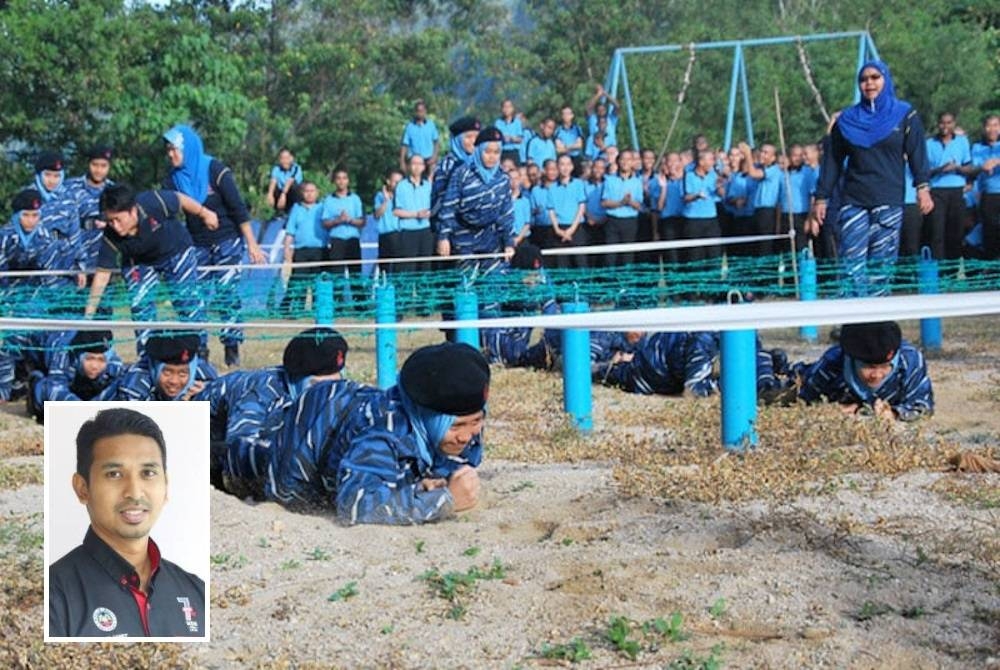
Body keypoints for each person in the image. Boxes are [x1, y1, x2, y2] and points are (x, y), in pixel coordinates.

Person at [48, 408, 205, 637]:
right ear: (82, 489)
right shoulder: (54, 596)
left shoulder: (197, 592)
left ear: (166, 486)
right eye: (114, 474)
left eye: (148, 473)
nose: (134, 492)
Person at [292, 342, 489, 524]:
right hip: (288, 436)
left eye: (476, 421)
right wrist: (444, 501)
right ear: (424, 418)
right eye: (455, 426)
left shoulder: (449, 425)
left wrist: (425, 484)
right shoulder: (382, 434)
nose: (466, 436)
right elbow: (355, 504)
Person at [811, 60, 933, 296]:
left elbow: (917, 152)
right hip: (854, 200)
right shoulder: (847, 120)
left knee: (881, 266)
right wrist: (821, 197)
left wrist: (922, 187)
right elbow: (833, 161)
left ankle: (879, 328)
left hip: (888, 199)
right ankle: (853, 327)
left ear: (885, 79)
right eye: (864, 79)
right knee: (851, 266)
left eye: (875, 77)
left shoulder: (905, 115)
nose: (869, 83)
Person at [197, 327, 350, 498]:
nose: (328, 395)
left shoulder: (339, 395)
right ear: (296, 381)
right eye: (318, 387)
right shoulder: (263, 393)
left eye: (335, 385)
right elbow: (239, 452)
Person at [163, 125, 265, 367]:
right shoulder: (172, 179)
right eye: (167, 150)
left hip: (227, 241)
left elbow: (238, 208)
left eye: (174, 150)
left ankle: (231, 347)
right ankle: (199, 349)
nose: (170, 155)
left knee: (226, 294)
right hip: (196, 244)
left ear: (188, 149)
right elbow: (170, 213)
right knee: (192, 296)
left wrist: (252, 244)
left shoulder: (215, 170)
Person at [84, 184, 209, 350]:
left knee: (187, 302)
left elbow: (180, 200)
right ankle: (147, 355)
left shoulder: (152, 202)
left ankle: (199, 351)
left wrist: (205, 213)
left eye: (118, 219)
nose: (115, 226)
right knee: (140, 306)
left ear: (133, 211)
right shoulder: (110, 236)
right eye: (109, 221)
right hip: (139, 262)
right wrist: (87, 317)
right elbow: (102, 276)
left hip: (176, 250)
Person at [0, 190, 86, 402]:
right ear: (16, 216)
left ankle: (36, 380)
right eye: (26, 215)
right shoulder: (4, 237)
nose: (31, 221)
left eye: (35, 215)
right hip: (8, 293)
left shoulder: (45, 238)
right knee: (6, 339)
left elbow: (50, 278)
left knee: (30, 335)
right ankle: (4, 389)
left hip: (35, 296)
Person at [794, 321, 933, 421]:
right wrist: (831, 411)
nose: (877, 375)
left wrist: (894, 413)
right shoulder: (832, 364)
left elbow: (923, 406)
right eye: (869, 367)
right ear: (853, 360)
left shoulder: (910, 361)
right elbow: (805, 399)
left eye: (886, 366)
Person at [436, 127, 515, 269]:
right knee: (467, 285)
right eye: (487, 152)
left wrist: (509, 242)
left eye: (496, 152)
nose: (492, 156)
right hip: (463, 238)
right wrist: (444, 237)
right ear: (478, 150)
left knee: (495, 284)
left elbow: (506, 213)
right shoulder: (462, 173)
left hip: (492, 239)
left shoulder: (502, 179)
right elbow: (449, 206)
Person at [27, 330, 126, 422]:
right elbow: (54, 389)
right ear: (79, 356)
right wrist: (81, 409)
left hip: (82, 378)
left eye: (101, 360)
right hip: (44, 357)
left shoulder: (113, 363)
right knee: (42, 396)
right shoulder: (64, 354)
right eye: (89, 359)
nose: (95, 366)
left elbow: (122, 383)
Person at [594, 331, 719, 397]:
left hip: (650, 358)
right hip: (643, 371)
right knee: (600, 371)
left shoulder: (706, 342)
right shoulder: (703, 345)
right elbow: (693, 391)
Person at [925, 112, 974, 261]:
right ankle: (939, 272)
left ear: (954, 124)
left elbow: (969, 167)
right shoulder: (929, 143)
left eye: (949, 123)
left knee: (955, 232)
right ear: (938, 124)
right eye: (942, 123)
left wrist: (956, 168)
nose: (945, 126)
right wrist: (940, 169)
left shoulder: (962, 141)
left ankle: (952, 272)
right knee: (937, 232)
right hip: (937, 190)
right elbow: (924, 171)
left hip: (956, 191)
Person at [115, 332, 217, 402]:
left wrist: (204, 398)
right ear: (155, 369)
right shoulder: (135, 385)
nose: (174, 381)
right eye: (167, 372)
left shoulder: (205, 378)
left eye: (182, 374)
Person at [63, 145, 115, 268]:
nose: (98, 170)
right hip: (75, 255)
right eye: (95, 165)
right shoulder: (71, 187)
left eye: (103, 166)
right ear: (88, 164)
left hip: (104, 256)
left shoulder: (114, 190)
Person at [281, 181, 327, 315]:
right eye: (307, 191)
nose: (309, 194)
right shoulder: (296, 209)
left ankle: (317, 309)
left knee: (318, 282)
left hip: (320, 250)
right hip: (301, 251)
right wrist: (286, 249)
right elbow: (290, 231)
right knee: (299, 281)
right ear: (302, 193)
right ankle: (297, 309)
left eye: (312, 191)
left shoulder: (322, 208)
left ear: (317, 193)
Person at [430, 115, 481, 230]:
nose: (473, 141)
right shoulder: (447, 166)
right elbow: (441, 202)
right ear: (457, 139)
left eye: (476, 137)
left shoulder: (482, 164)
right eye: (468, 137)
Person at [321, 167, 365, 289]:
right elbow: (324, 223)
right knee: (337, 275)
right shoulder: (329, 200)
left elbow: (362, 221)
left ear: (348, 181)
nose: (341, 181)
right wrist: (338, 220)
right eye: (338, 178)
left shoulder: (355, 199)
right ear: (335, 181)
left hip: (352, 240)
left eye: (344, 178)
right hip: (337, 241)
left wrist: (350, 220)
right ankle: (338, 306)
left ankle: (359, 306)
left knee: (356, 275)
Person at [739, 142, 782, 260]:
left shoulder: (774, 170)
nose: (762, 155)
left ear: (773, 157)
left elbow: (753, 173)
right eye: (761, 151)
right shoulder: (762, 167)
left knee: (765, 247)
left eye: (766, 153)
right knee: (755, 247)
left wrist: (748, 154)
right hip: (756, 211)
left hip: (767, 212)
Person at [600, 150, 643, 266]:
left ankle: (627, 282)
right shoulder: (609, 180)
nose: (625, 162)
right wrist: (620, 203)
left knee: (627, 256)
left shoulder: (637, 182)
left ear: (633, 162)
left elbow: (639, 206)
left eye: (628, 159)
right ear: (618, 161)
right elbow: (604, 203)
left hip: (630, 222)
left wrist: (629, 202)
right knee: (610, 256)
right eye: (622, 159)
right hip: (612, 221)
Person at [682, 149, 724, 265]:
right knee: (695, 255)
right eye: (710, 159)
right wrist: (697, 196)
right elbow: (686, 197)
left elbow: (721, 194)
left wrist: (720, 186)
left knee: (714, 254)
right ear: (701, 162)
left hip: (711, 219)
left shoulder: (714, 175)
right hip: (693, 220)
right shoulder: (689, 176)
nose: (712, 162)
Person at [546, 154, 587, 269]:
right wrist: (558, 230)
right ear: (558, 167)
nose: (565, 167)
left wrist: (571, 230)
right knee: (561, 264)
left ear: (572, 167)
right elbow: (551, 211)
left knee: (580, 262)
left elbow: (581, 208)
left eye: (568, 164)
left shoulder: (579, 184)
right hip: (559, 229)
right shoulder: (552, 188)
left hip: (576, 227)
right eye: (562, 164)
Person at [394, 155, 434, 274]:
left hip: (426, 231)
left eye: (420, 164)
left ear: (423, 167)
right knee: (407, 267)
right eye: (414, 163)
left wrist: (428, 214)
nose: (416, 167)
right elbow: (397, 211)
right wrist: (416, 214)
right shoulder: (401, 185)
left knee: (425, 267)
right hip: (408, 231)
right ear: (409, 166)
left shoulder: (428, 186)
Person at [30, 151, 80, 243]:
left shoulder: (68, 197)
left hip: (62, 253)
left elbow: (74, 235)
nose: (52, 180)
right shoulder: (28, 196)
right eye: (47, 175)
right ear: (39, 175)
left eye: (57, 176)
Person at [778, 144, 818, 252]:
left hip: (801, 215)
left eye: (800, 155)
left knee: (801, 247)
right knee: (787, 248)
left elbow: (813, 196)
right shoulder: (784, 174)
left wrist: (809, 218)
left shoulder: (808, 172)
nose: (797, 158)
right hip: (786, 215)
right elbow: (780, 200)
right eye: (794, 155)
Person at [972, 114, 1000, 260]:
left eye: (996, 125)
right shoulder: (977, 147)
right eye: (989, 125)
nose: (992, 129)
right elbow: (973, 170)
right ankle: (992, 276)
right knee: (989, 235)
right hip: (988, 196)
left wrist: (996, 161)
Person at [399, 100, 440, 175]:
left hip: (429, 160)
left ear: (425, 111)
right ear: (415, 112)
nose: (420, 113)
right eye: (418, 111)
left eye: (422, 110)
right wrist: (402, 161)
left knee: (431, 179)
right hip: (414, 160)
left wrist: (434, 157)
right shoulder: (410, 127)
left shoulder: (431, 125)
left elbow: (436, 142)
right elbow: (404, 145)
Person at [266, 147, 304, 215]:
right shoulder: (276, 169)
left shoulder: (296, 168)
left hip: (291, 195)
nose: (284, 161)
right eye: (282, 158)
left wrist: (283, 194)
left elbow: (290, 181)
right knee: (272, 188)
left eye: (286, 158)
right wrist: (270, 194)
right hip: (280, 196)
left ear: (291, 158)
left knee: (294, 186)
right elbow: (273, 181)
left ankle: (296, 210)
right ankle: (278, 212)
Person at [586, 84, 620, 152]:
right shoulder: (593, 119)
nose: (601, 112)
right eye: (599, 110)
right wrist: (598, 94)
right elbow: (588, 108)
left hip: (611, 150)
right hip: (595, 151)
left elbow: (617, 106)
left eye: (603, 110)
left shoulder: (611, 119)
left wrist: (605, 93)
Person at [554, 106, 584, 173]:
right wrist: (573, 147)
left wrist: (566, 147)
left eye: (568, 114)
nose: (566, 116)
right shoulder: (558, 131)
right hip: (563, 160)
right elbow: (559, 150)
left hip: (576, 159)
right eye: (564, 114)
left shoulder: (577, 129)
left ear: (572, 115)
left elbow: (579, 145)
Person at [495, 99, 525, 165]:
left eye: (508, 107)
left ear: (512, 108)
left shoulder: (517, 122)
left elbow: (520, 139)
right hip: (502, 152)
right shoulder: (498, 123)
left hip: (513, 152)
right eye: (504, 107)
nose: (506, 109)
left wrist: (512, 138)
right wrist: (502, 138)